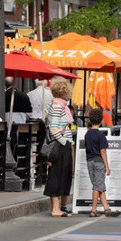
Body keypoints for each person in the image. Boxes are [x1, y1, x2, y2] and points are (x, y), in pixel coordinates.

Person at [43, 77, 75, 217]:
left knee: (63, 175)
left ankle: (59, 207)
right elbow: (54, 127)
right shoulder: (57, 106)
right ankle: (55, 209)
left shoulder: (60, 105)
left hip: (63, 144)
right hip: (60, 146)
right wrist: (64, 141)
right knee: (57, 175)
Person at [84, 108, 119, 217]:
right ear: (101, 120)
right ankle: (93, 209)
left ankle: (106, 207)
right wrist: (107, 166)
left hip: (89, 161)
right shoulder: (101, 135)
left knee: (98, 184)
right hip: (99, 161)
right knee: (97, 186)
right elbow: (102, 151)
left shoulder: (87, 134)